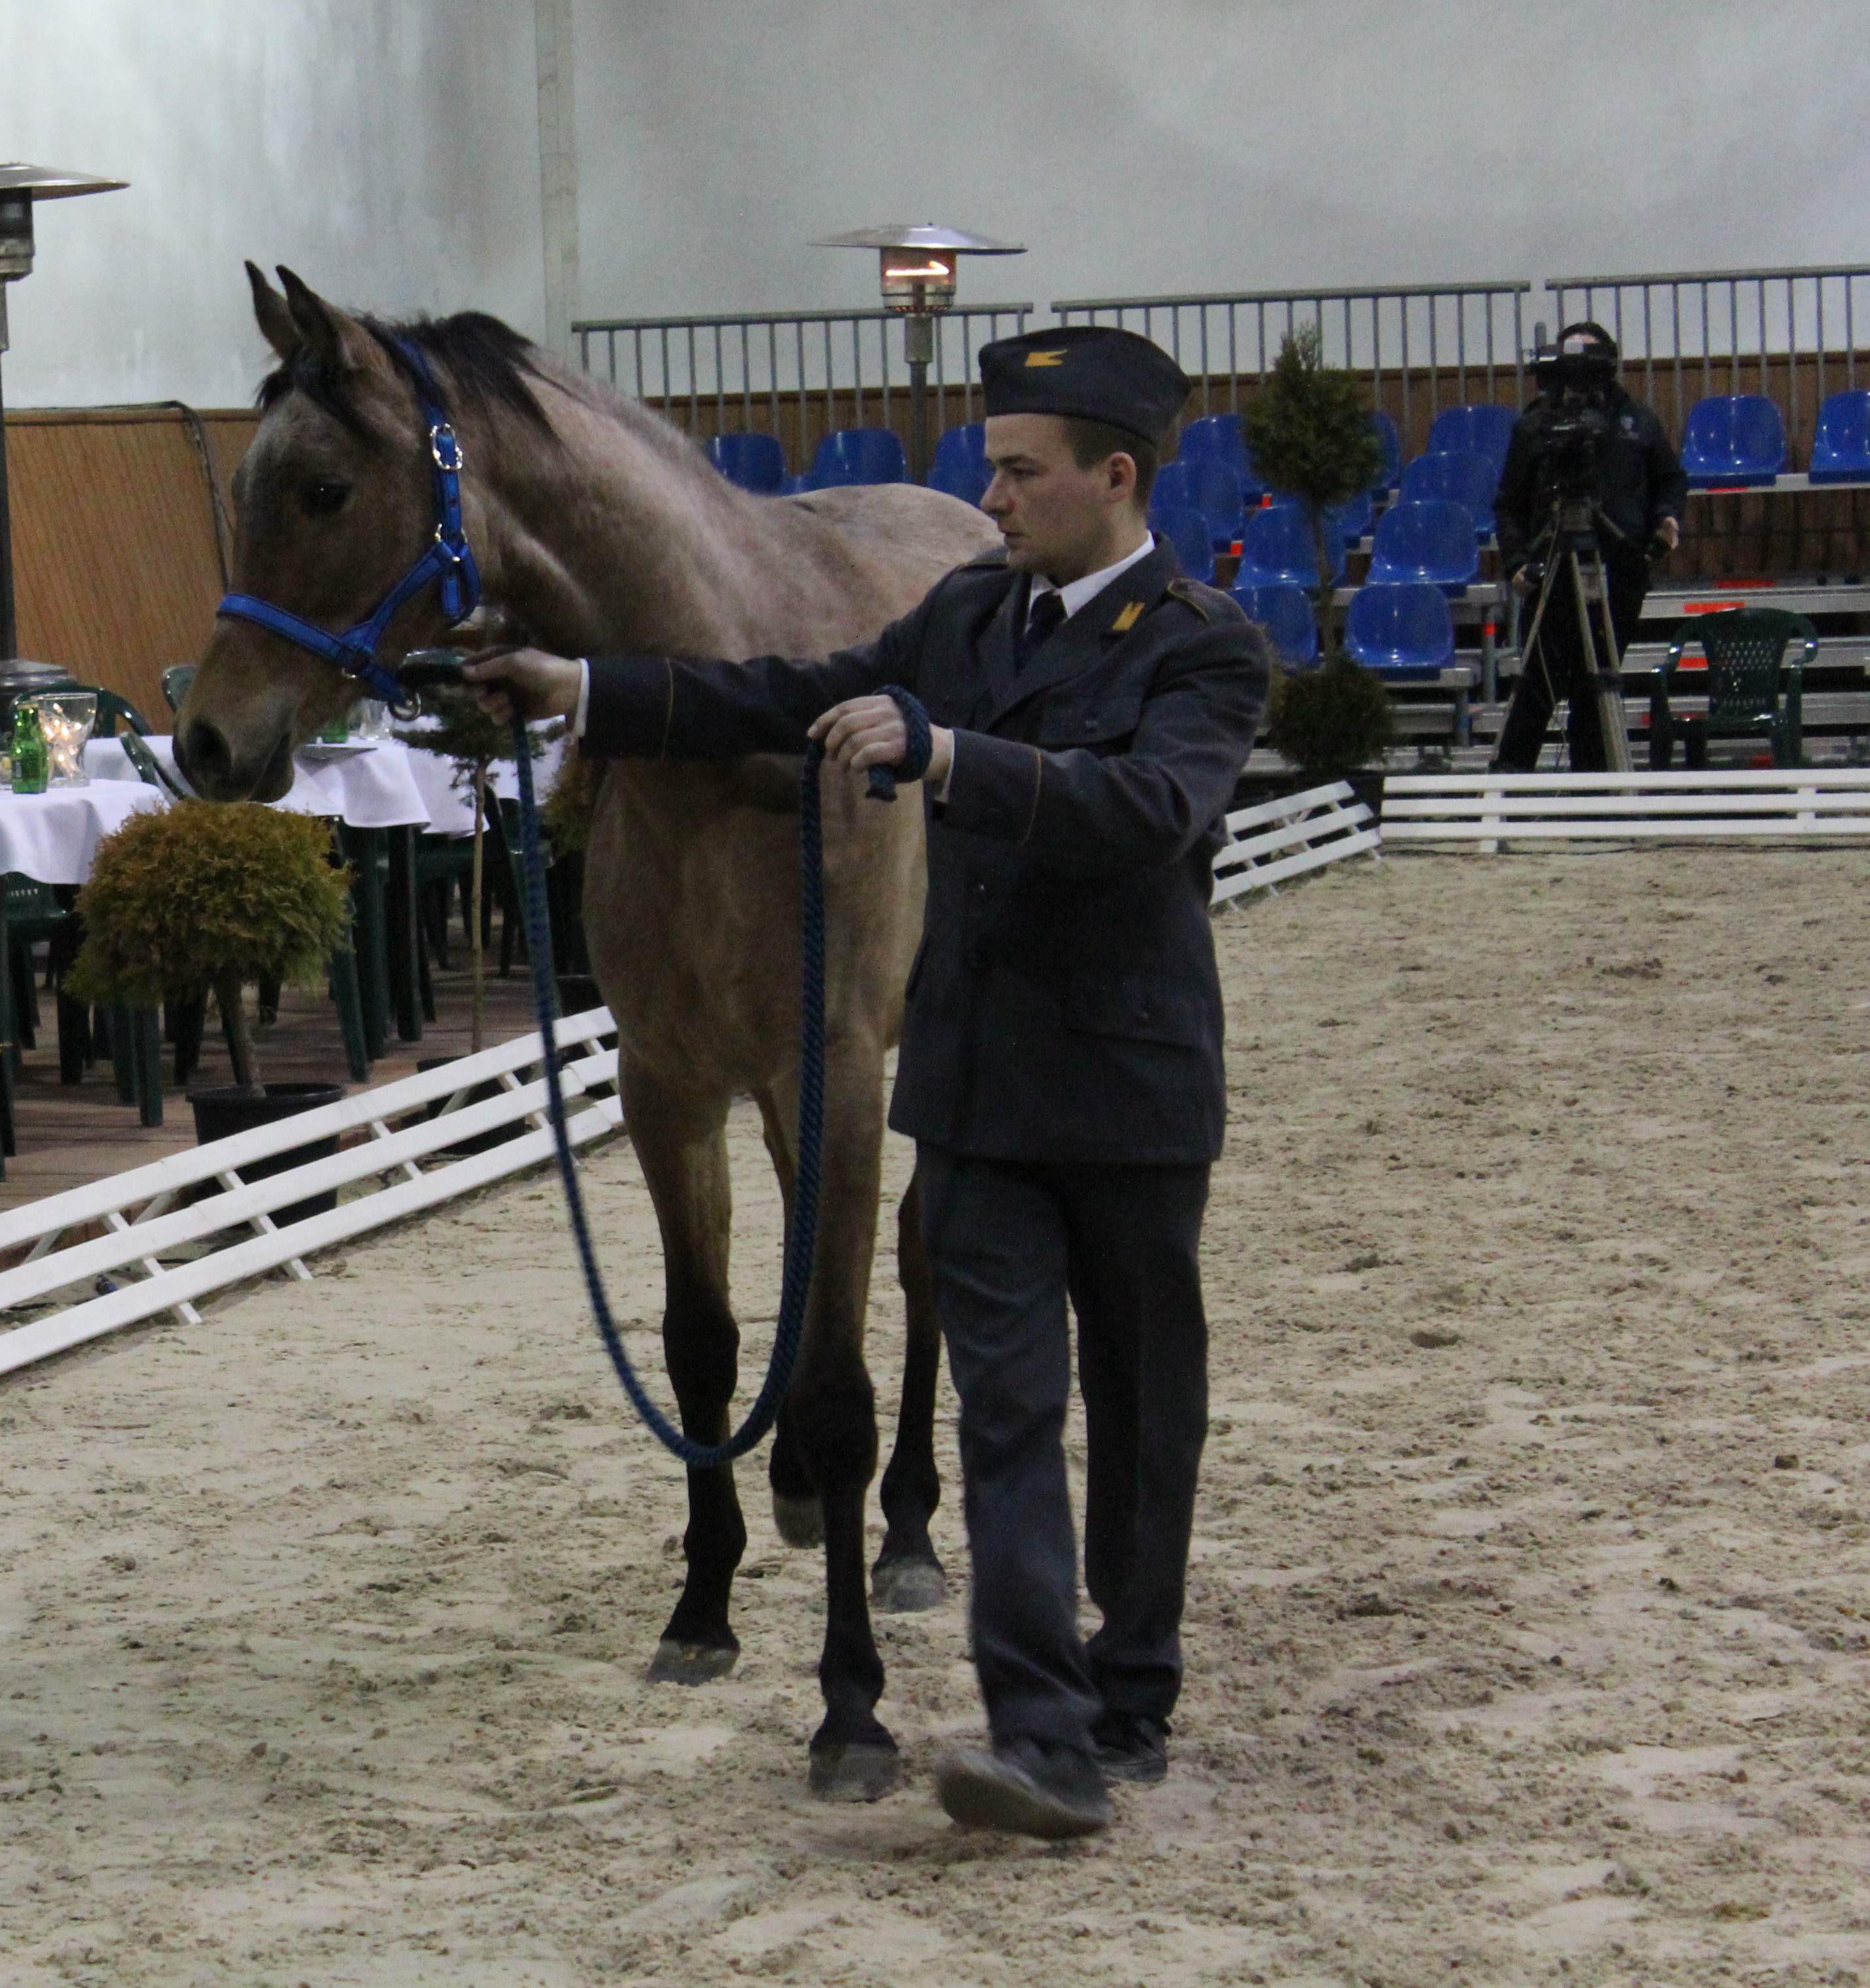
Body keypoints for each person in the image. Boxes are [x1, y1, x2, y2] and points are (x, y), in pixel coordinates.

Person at [466, 326, 1270, 1839]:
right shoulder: (964, 611)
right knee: (1007, 1415)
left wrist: (946, 753)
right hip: (972, 1094)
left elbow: (1149, 809)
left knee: (1143, 1405)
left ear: (1116, 477)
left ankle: (1132, 1683)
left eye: (1022, 469)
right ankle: (1040, 1734)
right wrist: (583, 684)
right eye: (993, 464)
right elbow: (781, 691)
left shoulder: (1203, 640)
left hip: (1125, 1091)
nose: (995, 493)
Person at [1491, 322, 1685, 772]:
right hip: (1553, 565)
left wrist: (1668, 517)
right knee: (1538, 678)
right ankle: (1508, 785)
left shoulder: (1637, 419)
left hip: (1619, 566)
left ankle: (1595, 787)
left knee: (1597, 683)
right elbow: (1508, 504)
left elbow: (1671, 480)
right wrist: (1517, 562)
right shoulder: (1535, 424)